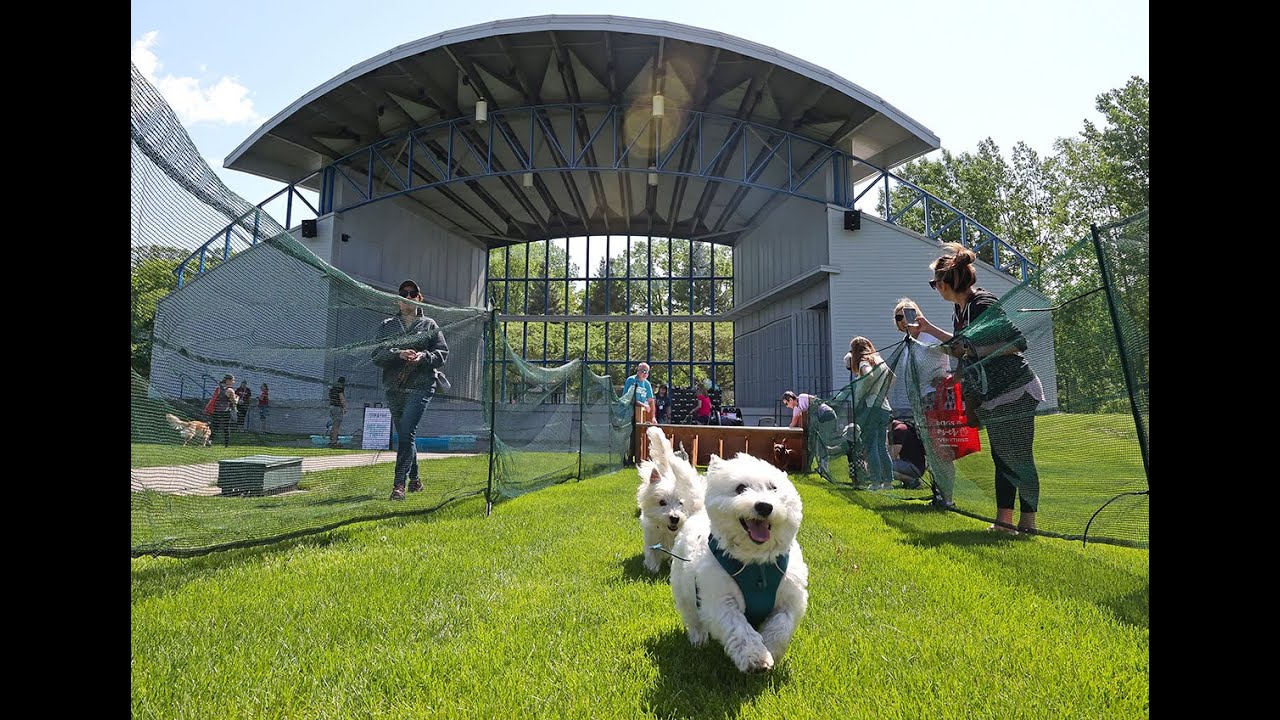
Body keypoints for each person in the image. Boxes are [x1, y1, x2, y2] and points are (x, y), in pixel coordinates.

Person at [914, 242, 1044, 534]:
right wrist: (929, 330)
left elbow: (1017, 342)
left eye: (935, 283)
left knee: (1019, 457)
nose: (935, 288)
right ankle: (1003, 522)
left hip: (1016, 389)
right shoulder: (960, 311)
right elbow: (960, 348)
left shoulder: (983, 304)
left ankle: (1028, 524)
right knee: (1002, 457)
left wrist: (974, 351)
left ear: (947, 283)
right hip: (992, 394)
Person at [371, 279, 449, 500]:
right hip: (394, 387)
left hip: (421, 386)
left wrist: (423, 356)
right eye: (403, 294)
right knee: (405, 435)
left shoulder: (430, 325)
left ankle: (399, 486)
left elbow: (442, 355)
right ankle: (415, 480)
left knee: (406, 432)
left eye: (412, 293)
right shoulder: (387, 325)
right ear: (398, 300)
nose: (408, 297)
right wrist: (398, 354)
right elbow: (376, 355)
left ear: (419, 298)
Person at [894, 298, 955, 506]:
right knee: (932, 450)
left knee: (941, 450)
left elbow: (956, 347)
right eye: (898, 316)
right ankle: (939, 494)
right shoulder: (908, 344)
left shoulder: (929, 337)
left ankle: (946, 498)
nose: (903, 319)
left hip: (936, 400)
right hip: (921, 403)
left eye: (908, 313)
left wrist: (949, 377)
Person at [844, 337, 893, 490]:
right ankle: (888, 482)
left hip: (870, 407)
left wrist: (862, 394)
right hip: (884, 407)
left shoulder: (863, 361)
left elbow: (868, 375)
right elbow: (892, 377)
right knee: (882, 446)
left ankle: (876, 482)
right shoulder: (879, 360)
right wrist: (881, 393)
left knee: (871, 446)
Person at [889, 417, 926, 489]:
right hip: (917, 466)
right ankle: (908, 480)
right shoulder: (903, 426)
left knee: (882, 466)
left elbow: (892, 455)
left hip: (913, 467)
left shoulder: (899, 430)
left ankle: (911, 481)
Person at [207, 374, 239, 448]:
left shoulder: (218, 388)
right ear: (228, 381)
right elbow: (234, 402)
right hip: (226, 411)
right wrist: (237, 398)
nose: (234, 382)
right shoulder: (230, 390)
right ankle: (226, 444)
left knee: (215, 427)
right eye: (233, 380)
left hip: (216, 411)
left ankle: (210, 440)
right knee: (226, 427)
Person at [327, 377, 347, 448]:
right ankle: (334, 442)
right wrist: (344, 407)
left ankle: (332, 440)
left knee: (333, 424)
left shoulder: (332, 389)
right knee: (336, 425)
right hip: (337, 408)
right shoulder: (340, 388)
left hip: (332, 407)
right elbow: (342, 398)